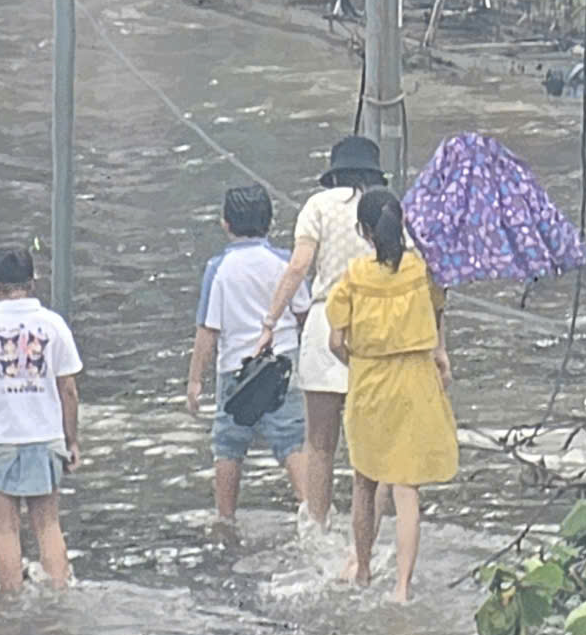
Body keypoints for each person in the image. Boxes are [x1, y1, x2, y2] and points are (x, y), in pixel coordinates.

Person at [327, 189, 457, 602]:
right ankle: (402, 586)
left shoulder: (354, 276)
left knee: (364, 480)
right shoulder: (423, 271)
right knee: (406, 488)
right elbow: (438, 313)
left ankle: (362, 568)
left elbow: (335, 339)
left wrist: (357, 362)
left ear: (364, 232)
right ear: (402, 225)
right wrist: (439, 355)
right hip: (415, 379)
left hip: (370, 380)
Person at [260, 134, 390, 530]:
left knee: (319, 440)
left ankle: (317, 525)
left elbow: (299, 265)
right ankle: (367, 529)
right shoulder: (386, 207)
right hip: (375, 325)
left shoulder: (316, 206)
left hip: (324, 322)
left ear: (334, 173)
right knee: (374, 443)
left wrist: (271, 322)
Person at [0, 244, 84, 595]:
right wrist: (71, 441)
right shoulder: (54, 325)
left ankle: (10, 604)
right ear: (33, 281)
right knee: (48, 525)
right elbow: (68, 389)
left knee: (5, 529)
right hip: (45, 437)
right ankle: (60, 596)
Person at [186, 186, 323, 521]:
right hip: (283, 363)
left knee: (229, 447)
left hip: (235, 369)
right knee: (292, 441)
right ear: (270, 223)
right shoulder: (284, 263)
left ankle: (225, 519)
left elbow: (207, 331)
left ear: (225, 224)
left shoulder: (218, 268)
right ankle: (312, 515)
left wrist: (194, 381)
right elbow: (306, 315)